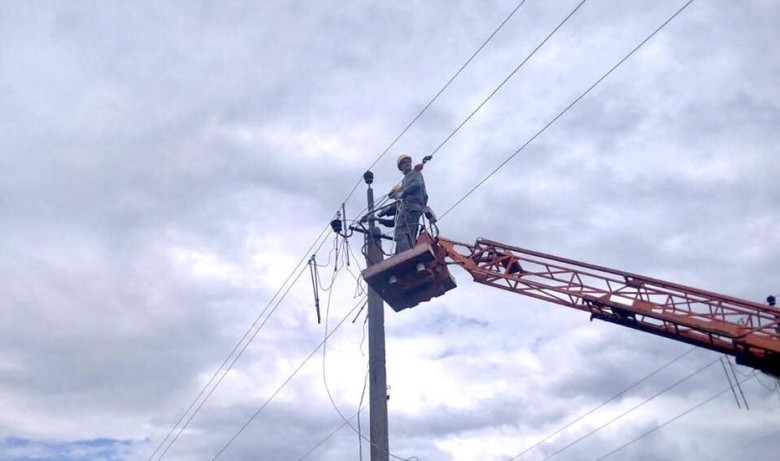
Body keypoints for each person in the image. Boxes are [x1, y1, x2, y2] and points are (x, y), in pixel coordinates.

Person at [379, 154, 428, 254]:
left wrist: (403, 193)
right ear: (400, 167)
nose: (406, 164)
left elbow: (417, 184)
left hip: (411, 207)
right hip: (413, 209)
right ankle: (407, 253)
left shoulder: (415, 173)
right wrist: (379, 219)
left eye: (407, 162)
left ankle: (404, 255)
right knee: (409, 235)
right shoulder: (406, 180)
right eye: (403, 163)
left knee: (401, 233)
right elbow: (393, 221)